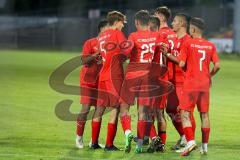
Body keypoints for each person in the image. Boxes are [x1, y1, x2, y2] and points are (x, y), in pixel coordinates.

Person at [178, 17, 220, 156]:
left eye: (190, 27)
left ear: (194, 29)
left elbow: (182, 64)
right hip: (204, 85)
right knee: (204, 115)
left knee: (184, 113)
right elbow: (218, 66)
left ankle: (190, 142)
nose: (189, 29)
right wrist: (209, 76)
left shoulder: (188, 43)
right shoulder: (210, 45)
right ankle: (205, 147)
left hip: (191, 84)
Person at [94, 11, 127, 151]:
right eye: (122, 23)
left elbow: (101, 55)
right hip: (114, 75)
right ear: (117, 21)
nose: (123, 25)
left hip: (102, 75)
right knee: (115, 107)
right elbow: (125, 51)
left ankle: (94, 142)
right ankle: (108, 144)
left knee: (99, 108)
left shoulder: (101, 36)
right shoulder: (117, 33)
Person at [76, 20, 108, 149]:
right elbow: (83, 60)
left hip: (101, 81)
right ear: (101, 29)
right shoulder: (90, 43)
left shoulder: (109, 45)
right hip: (88, 81)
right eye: (107, 29)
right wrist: (96, 55)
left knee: (99, 110)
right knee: (85, 109)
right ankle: (79, 137)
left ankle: (94, 141)